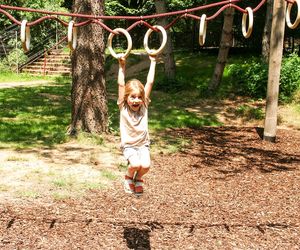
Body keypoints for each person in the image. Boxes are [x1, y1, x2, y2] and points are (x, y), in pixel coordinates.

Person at [117, 54, 157, 196]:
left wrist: (153, 62)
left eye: (139, 97)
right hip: (129, 145)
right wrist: (122, 66)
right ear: (126, 98)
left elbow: (150, 82)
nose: (136, 100)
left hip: (143, 144)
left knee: (145, 166)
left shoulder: (144, 106)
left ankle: (138, 178)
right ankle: (129, 177)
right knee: (135, 165)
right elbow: (121, 84)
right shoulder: (123, 107)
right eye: (132, 97)